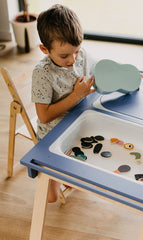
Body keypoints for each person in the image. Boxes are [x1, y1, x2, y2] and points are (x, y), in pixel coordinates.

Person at [32, 4, 96, 203]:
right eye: (64, 56)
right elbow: (43, 116)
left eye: (76, 51)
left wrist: (124, 74)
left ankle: (68, 171)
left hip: (79, 121)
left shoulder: (80, 55)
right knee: (50, 197)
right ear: (45, 49)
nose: (73, 59)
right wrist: (76, 95)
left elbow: (99, 70)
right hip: (53, 133)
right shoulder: (42, 73)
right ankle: (53, 174)